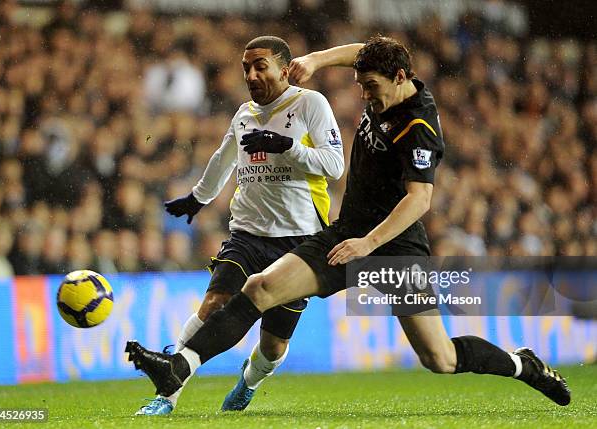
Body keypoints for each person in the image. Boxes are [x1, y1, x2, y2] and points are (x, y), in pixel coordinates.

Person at [126, 37, 570, 408]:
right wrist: (318, 59)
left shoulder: (419, 126)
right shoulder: (389, 76)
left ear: (399, 79)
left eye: (370, 86)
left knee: (440, 358)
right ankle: (177, 369)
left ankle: (521, 364)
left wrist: (367, 245)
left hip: (394, 245)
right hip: (345, 232)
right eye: (360, 84)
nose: (364, 95)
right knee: (259, 288)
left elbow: (420, 201)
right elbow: (366, 49)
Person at [134, 35, 344, 415]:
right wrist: (198, 197)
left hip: (299, 243)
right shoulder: (244, 113)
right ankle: (167, 392)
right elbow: (223, 158)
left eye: (260, 65)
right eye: (246, 67)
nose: (250, 73)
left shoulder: (310, 104)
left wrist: (288, 147)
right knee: (214, 303)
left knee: (273, 345)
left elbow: (334, 166)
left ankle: (249, 381)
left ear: (284, 68)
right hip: (247, 234)